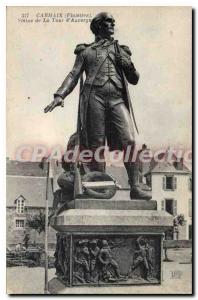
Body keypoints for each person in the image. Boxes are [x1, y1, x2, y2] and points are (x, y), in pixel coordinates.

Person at [44, 12, 151, 200]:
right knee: (96, 144)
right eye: (108, 22)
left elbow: (134, 79)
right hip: (94, 97)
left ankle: (135, 186)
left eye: (113, 21)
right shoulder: (86, 52)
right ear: (98, 26)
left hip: (117, 98)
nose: (112, 24)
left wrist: (128, 65)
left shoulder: (122, 51)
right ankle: (99, 186)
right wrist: (60, 95)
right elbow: (73, 75)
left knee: (130, 141)